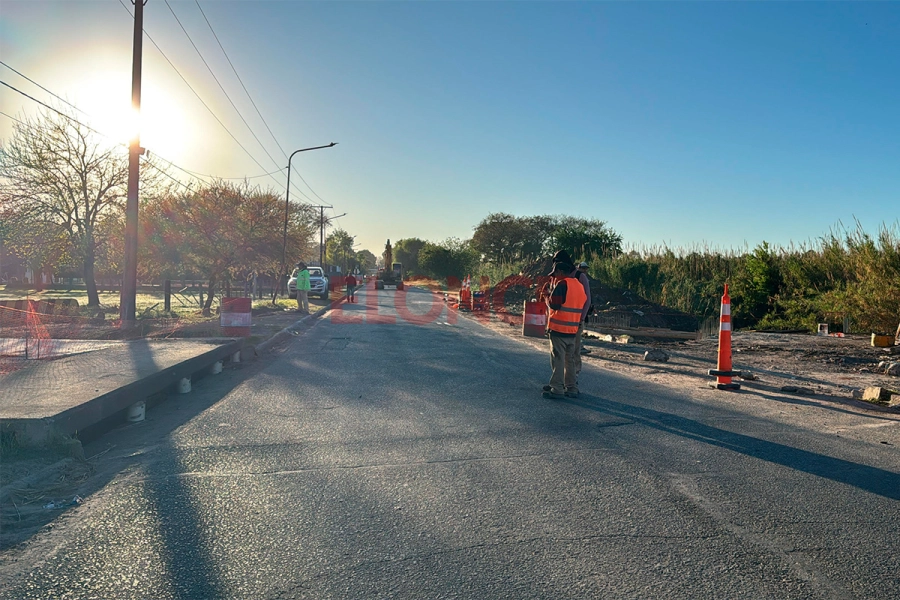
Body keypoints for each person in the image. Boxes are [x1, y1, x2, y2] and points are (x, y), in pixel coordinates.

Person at [542, 261, 587, 400]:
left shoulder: (563, 284)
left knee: (558, 359)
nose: (555, 277)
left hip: (559, 329)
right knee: (570, 360)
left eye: (555, 273)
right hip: (572, 330)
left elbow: (555, 304)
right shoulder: (579, 286)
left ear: (561, 272)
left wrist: (546, 297)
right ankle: (571, 387)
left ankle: (557, 388)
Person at [551, 251, 592, 374]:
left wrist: (581, 319)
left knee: (573, 353)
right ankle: (559, 381)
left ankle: (572, 380)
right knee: (558, 354)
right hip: (560, 323)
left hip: (575, 323)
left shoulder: (580, 277)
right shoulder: (557, 277)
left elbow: (587, 300)